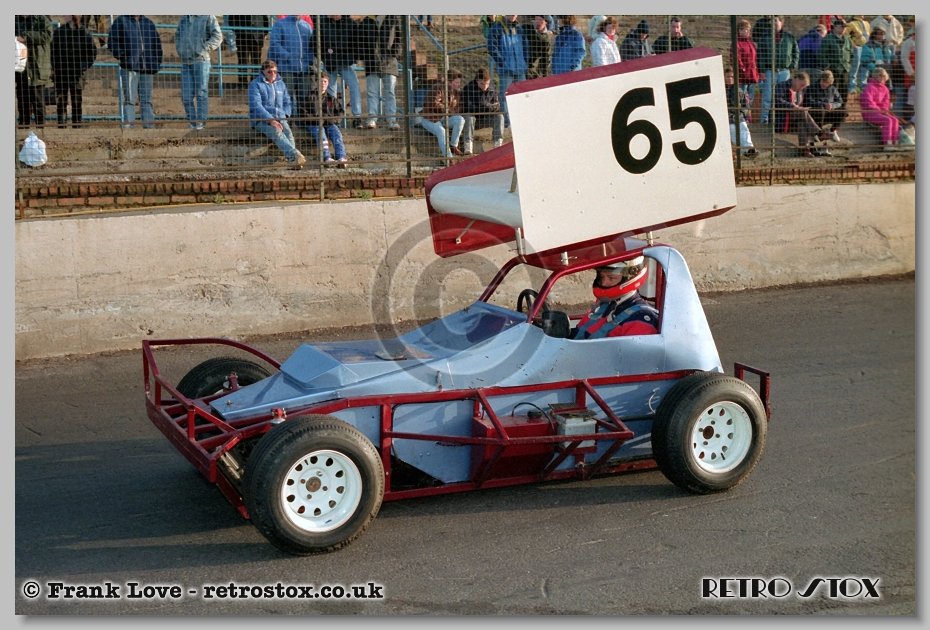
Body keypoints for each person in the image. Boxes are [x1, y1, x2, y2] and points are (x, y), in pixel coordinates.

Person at [572, 257, 659, 340]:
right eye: (601, 277)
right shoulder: (603, 305)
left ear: (631, 276)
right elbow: (577, 333)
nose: (604, 283)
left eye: (611, 278)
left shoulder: (640, 319)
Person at [248, 59, 306, 169]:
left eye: (275, 71)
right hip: (261, 120)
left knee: (288, 132)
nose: (273, 74)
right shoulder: (255, 84)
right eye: (269, 72)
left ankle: (293, 161)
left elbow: (287, 102)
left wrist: (285, 115)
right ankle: (294, 155)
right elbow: (256, 106)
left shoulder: (281, 84)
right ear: (263, 72)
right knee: (276, 132)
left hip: (280, 117)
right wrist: (271, 120)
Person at [107, 15, 163, 129]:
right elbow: (112, 41)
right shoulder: (121, 21)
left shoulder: (149, 23)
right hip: (129, 67)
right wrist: (123, 56)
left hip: (148, 68)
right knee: (129, 100)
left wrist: (155, 62)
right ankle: (128, 129)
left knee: (147, 101)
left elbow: (157, 45)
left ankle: (149, 128)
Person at [268, 15, 316, 132]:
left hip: (304, 69)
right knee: (286, 98)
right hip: (286, 69)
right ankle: (285, 125)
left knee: (304, 98)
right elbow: (274, 44)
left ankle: (303, 125)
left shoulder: (307, 26)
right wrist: (288, 56)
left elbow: (312, 46)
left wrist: (309, 61)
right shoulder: (280, 24)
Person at [175, 15, 223, 130]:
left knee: (201, 93)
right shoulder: (184, 18)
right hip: (186, 62)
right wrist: (180, 49)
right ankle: (192, 123)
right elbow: (177, 35)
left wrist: (204, 48)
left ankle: (201, 123)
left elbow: (218, 36)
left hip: (201, 61)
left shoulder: (207, 16)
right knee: (186, 96)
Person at [50, 15, 97, 128]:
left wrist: (84, 66)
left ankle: (77, 125)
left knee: (76, 100)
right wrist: (54, 67)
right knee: (61, 100)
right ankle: (61, 125)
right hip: (61, 72)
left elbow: (92, 52)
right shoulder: (59, 32)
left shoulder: (84, 33)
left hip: (77, 73)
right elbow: (52, 52)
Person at [752, 15, 798, 126]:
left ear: (781, 22)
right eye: (772, 21)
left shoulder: (789, 37)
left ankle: (781, 121)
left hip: (784, 72)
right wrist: (762, 71)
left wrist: (792, 66)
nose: (773, 22)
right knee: (767, 97)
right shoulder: (764, 37)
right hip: (769, 71)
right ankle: (764, 121)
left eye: (776, 20)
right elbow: (760, 54)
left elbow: (796, 52)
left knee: (783, 97)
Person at [359, 15, 403, 130]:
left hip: (389, 61)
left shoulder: (392, 18)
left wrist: (395, 53)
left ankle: (391, 120)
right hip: (371, 61)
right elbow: (360, 40)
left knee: (390, 92)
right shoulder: (367, 20)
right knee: (372, 92)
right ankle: (372, 119)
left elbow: (399, 37)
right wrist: (364, 56)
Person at [319, 15, 362, 127]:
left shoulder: (350, 23)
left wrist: (352, 58)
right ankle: (333, 117)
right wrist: (324, 56)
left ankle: (357, 117)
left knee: (354, 86)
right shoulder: (323, 23)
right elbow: (316, 42)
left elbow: (357, 42)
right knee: (331, 90)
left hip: (345, 62)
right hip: (330, 63)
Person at [774, 71, 828, 157]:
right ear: (796, 79)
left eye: (804, 86)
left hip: (796, 118)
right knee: (802, 112)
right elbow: (778, 100)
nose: (802, 88)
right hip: (783, 118)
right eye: (801, 85)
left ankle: (804, 150)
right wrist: (793, 106)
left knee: (802, 121)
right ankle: (819, 133)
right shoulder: (782, 86)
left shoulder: (800, 91)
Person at [486, 15, 527, 126]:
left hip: (520, 68)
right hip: (506, 69)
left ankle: (521, 120)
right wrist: (501, 62)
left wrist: (525, 61)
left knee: (522, 95)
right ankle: (508, 122)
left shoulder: (519, 28)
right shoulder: (497, 28)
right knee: (505, 96)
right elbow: (491, 46)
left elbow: (525, 46)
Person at [14, 15, 53, 128]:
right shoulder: (15, 20)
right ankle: (23, 129)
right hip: (21, 68)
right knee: (22, 102)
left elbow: (47, 36)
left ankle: (40, 130)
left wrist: (26, 37)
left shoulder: (41, 19)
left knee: (38, 102)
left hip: (37, 69)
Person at [418, 71, 465, 158]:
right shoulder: (437, 88)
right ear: (449, 81)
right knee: (441, 131)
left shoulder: (457, 92)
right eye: (456, 82)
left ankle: (453, 146)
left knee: (460, 119)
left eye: (459, 82)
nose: (459, 84)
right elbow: (434, 103)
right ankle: (449, 157)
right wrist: (448, 110)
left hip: (445, 118)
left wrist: (451, 112)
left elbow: (458, 108)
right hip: (431, 118)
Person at [461, 67, 504, 155]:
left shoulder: (492, 87)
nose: (485, 86)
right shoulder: (468, 88)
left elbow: (497, 107)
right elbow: (468, 108)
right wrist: (488, 107)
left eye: (487, 83)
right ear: (477, 81)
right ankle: (468, 146)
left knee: (499, 116)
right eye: (482, 84)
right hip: (474, 120)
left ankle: (498, 144)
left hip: (486, 118)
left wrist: (486, 107)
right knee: (468, 116)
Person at [859, 67, 904, 151]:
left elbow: (886, 103)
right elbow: (867, 102)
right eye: (879, 75)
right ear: (875, 76)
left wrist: (884, 110)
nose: (882, 77)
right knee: (888, 120)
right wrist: (880, 110)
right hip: (869, 113)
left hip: (881, 112)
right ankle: (887, 144)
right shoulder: (869, 87)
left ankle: (895, 143)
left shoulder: (885, 89)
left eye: (883, 75)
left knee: (895, 120)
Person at [308, 74, 348, 167]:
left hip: (329, 124)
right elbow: (304, 112)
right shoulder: (310, 97)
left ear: (328, 83)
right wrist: (316, 120)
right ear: (316, 83)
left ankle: (341, 157)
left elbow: (340, 112)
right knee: (321, 134)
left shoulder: (331, 98)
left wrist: (334, 121)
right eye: (321, 81)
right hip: (315, 124)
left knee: (337, 133)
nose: (323, 83)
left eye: (325, 81)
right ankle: (326, 158)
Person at [803, 69, 847, 143]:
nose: (824, 84)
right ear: (821, 79)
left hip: (829, 111)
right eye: (823, 81)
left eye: (827, 83)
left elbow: (840, 101)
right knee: (820, 109)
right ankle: (818, 133)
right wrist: (823, 105)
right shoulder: (812, 87)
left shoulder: (833, 89)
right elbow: (808, 100)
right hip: (816, 111)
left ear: (831, 83)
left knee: (843, 111)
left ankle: (832, 131)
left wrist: (832, 105)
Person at [227, 15, 269, 90]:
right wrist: (238, 30)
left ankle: (255, 82)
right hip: (242, 36)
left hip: (257, 36)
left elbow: (265, 19)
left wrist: (264, 32)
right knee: (243, 61)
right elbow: (231, 20)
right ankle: (242, 83)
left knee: (256, 61)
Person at [724, 67, 756, 157]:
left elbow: (745, 105)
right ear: (724, 77)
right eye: (728, 77)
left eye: (732, 77)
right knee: (733, 132)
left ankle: (750, 149)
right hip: (727, 118)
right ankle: (745, 151)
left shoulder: (740, 90)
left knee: (745, 129)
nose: (730, 79)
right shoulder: (721, 90)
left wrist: (742, 114)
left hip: (739, 116)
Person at [818, 18, 852, 101]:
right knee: (832, 90)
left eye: (845, 27)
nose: (844, 28)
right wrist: (827, 66)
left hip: (845, 69)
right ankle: (833, 108)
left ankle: (843, 108)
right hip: (833, 70)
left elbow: (851, 54)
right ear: (835, 27)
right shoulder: (828, 39)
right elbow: (821, 54)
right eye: (842, 26)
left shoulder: (847, 40)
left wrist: (848, 65)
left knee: (844, 90)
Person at [731, 20, 759, 111]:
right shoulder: (736, 44)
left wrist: (756, 73)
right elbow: (735, 59)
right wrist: (743, 70)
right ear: (738, 31)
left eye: (747, 29)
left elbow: (755, 60)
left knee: (749, 100)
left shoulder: (752, 44)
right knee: (742, 98)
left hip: (752, 77)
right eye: (742, 29)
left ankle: (747, 116)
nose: (745, 31)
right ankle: (741, 116)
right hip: (742, 77)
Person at [858, 27, 895, 92]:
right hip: (874, 72)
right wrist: (875, 69)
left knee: (886, 90)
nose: (882, 36)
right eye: (880, 34)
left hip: (886, 71)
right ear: (874, 35)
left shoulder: (886, 45)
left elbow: (890, 57)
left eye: (883, 34)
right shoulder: (868, 46)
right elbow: (865, 60)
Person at [845, 16, 871, 93]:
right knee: (855, 67)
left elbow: (870, 35)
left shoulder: (867, 23)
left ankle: (863, 86)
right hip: (857, 47)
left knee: (865, 67)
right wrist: (853, 44)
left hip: (866, 47)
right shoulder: (851, 23)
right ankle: (852, 87)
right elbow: (846, 35)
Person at [524, 15, 554, 79]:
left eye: (540, 20)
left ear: (546, 22)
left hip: (540, 73)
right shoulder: (529, 31)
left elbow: (547, 58)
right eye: (536, 19)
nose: (537, 22)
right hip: (528, 71)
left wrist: (545, 75)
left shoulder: (549, 37)